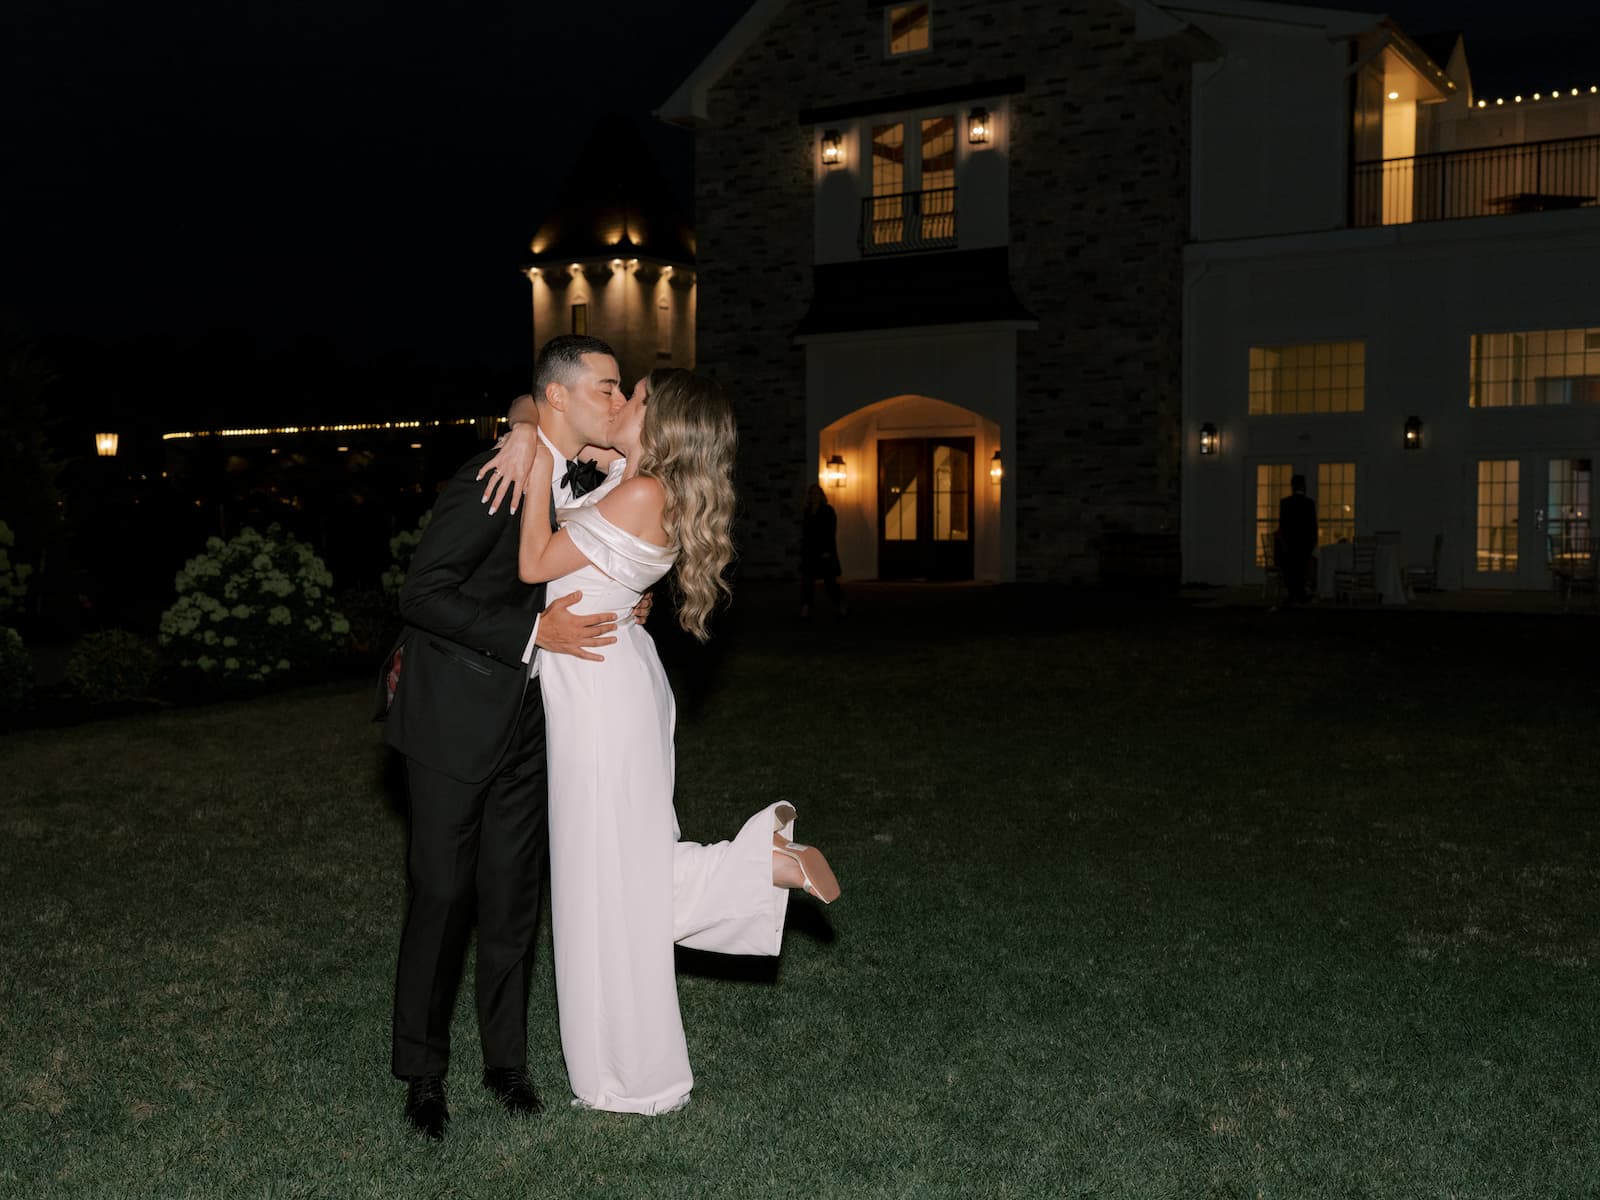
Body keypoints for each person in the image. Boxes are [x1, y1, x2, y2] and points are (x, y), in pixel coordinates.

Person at [481, 367, 840, 1115]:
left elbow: (534, 564)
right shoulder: (632, 478)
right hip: (602, 679)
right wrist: (526, 428)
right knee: (611, 874)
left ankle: (631, 1070)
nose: (618, 403)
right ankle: (758, 869)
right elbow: (532, 404)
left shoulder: (642, 492)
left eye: (633, 396)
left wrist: (542, 462)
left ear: (662, 420)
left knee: (609, 880)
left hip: (601, 694)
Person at [374, 333, 635, 1141]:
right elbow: (424, 594)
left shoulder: (583, 480)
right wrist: (530, 633)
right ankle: (421, 1073)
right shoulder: (498, 477)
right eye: (606, 389)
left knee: (513, 898)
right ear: (556, 397)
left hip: (536, 721)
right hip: (453, 716)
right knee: (443, 895)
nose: (619, 404)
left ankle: (506, 1062)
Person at [799, 482, 847, 619]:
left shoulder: (828, 511)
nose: (814, 496)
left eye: (817, 493)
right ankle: (805, 608)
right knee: (807, 582)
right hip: (809, 552)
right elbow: (806, 533)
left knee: (830, 583)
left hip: (824, 552)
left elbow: (830, 532)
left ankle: (841, 604)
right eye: (812, 493)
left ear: (821, 496)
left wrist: (827, 551)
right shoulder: (807, 511)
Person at [1274, 474, 1318, 607]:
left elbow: (1282, 526)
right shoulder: (1309, 503)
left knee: (1291, 571)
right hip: (1304, 544)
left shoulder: (1285, 503)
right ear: (1303, 486)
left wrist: (1284, 544)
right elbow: (1312, 526)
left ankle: (1293, 594)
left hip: (1290, 544)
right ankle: (1300, 595)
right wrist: (1311, 543)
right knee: (1301, 570)